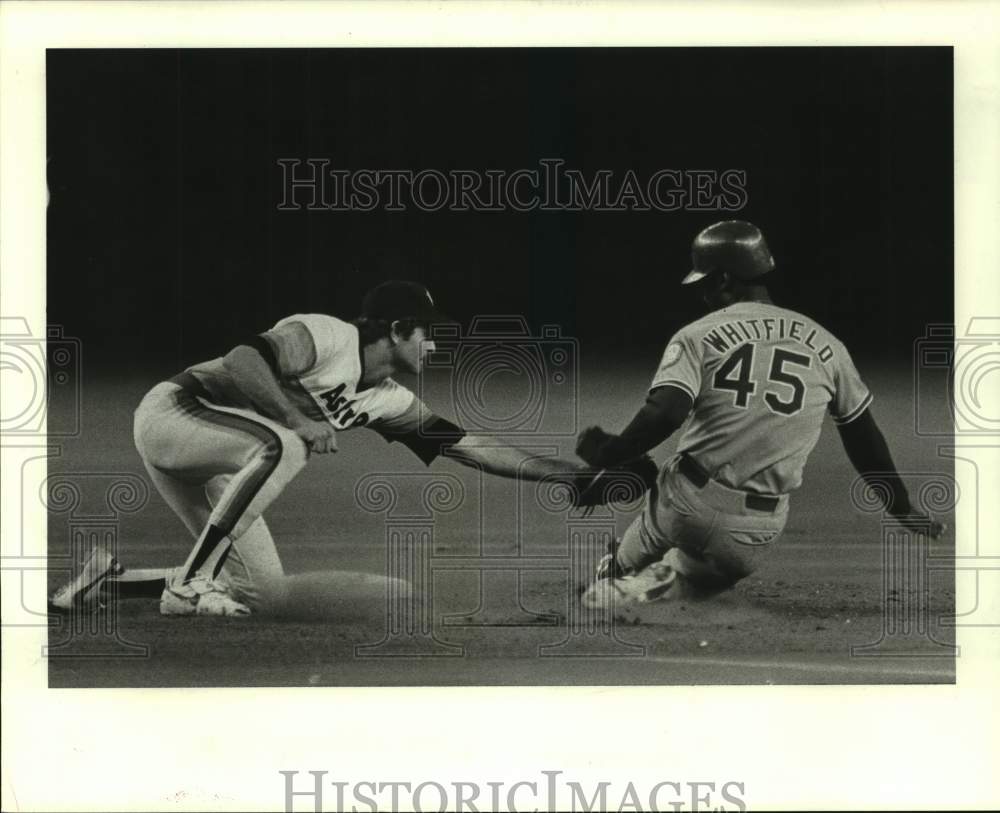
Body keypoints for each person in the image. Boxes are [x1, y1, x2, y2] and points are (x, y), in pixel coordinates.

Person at [52, 280, 647, 617]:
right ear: (397, 330)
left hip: (228, 451)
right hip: (173, 415)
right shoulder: (327, 334)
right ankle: (188, 586)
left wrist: (569, 477)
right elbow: (243, 359)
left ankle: (107, 583)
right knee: (287, 444)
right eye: (428, 335)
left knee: (262, 594)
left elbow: (471, 446)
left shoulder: (387, 398)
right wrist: (297, 420)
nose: (434, 349)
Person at [576, 220, 945, 610]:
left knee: (663, 495)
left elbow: (665, 412)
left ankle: (617, 570)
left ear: (723, 280)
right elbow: (863, 438)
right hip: (756, 533)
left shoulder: (698, 334)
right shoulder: (828, 345)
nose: (702, 294)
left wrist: (614, 453)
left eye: (704, 283)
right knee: (708, 577)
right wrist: (901, 506)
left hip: (686, 503)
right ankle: (659, 582)